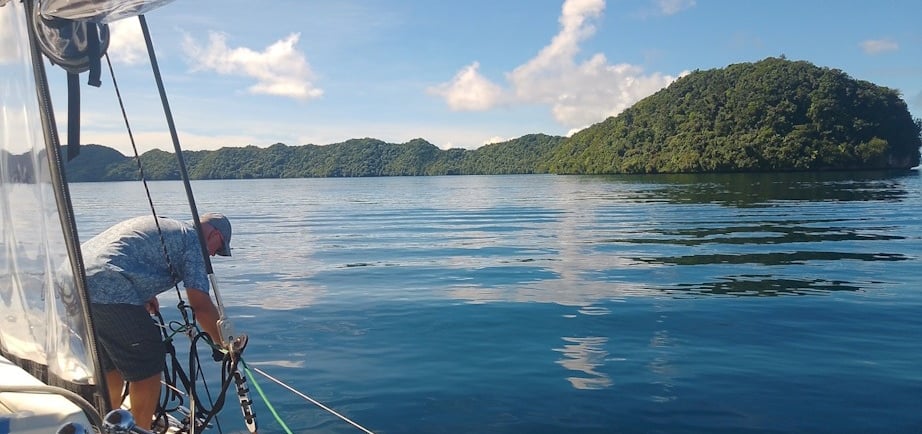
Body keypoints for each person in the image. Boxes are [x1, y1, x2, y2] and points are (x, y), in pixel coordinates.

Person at [81, 213, 233, 429]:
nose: (213, 255)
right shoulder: (193, 241)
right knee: (148, 362)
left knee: (111, 364)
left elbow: (125, 254)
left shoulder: (169, 227)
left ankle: (103, 425)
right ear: (214, 235)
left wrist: (140, 293)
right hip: (107, 287)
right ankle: (140, 429)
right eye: (217, 250)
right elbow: (201, 306)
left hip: (76, 279)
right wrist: (226, 344)